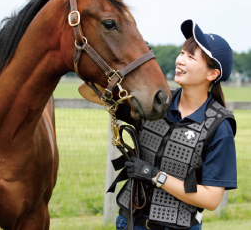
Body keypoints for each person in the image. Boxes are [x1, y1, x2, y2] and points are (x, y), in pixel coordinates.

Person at [78, 19, 237, 230]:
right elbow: (86, 91)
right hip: (129, 222)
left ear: (212, 74)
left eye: (190, 57)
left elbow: (211, 199)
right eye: (182, 53)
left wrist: (155, 175)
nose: (180, 60)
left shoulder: (219, 127)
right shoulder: (154, 102)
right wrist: (130, 61)